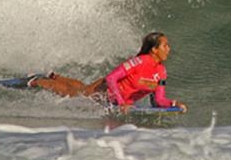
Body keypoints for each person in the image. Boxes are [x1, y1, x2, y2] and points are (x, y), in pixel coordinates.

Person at [30, 32, 188, 113]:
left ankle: (56, 77)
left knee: (82, 88)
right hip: (105, 92)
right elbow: (112, 78)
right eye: (165, 45)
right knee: (74, 93)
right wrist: (121, 102)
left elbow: (159, 100)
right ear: (154, 49)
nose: (169, 49)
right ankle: (38, 81)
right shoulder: (138, 62)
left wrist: (174, 104)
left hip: (117, 102)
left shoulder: (161, 71)